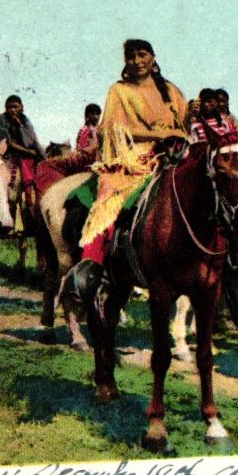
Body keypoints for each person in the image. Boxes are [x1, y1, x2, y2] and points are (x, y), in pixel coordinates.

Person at [65, 39, 192, 299]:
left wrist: (191, 115)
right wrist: (157, 133)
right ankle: (93, 264)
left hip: (173, 153)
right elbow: (112, 128)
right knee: (109, 194)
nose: (136, 61)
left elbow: (184, 125)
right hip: (134, 155)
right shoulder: (119, 91)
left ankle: (228, 265)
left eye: (142, 54)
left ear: (154, 58)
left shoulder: (170, 90)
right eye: (130, 56)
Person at [0, 94, 45, 215]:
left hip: (26, 159)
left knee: (29, 192)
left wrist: (20, 125)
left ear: (21, 107)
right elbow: (8, 143)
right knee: (11, 194)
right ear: (5, 108)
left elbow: (32, 141)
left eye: (15, 107)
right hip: (5, 158)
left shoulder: (25, 120)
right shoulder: (0, 120)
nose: (12, 110)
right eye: (9, 107)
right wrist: (29, 151)